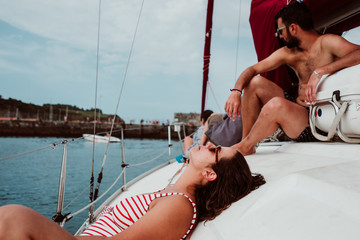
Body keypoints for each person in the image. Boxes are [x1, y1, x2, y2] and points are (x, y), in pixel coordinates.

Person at [0, 146, 265, 240]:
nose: (206, 144)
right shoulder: (173, 190)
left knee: (12, 217)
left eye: (214, 150)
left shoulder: (180, 206)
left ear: (209, 174)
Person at [225, 1, 360, 155]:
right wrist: (236, 91)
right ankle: (245, 144)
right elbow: (253, 69)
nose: (279, 36)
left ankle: (244, 146)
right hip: (298, 114)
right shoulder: (290, 53)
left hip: (318, 124)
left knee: (276, 105)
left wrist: (321, 71)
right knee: (254, 83)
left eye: (280, 31)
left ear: (293, 28)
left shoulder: (328, 43)